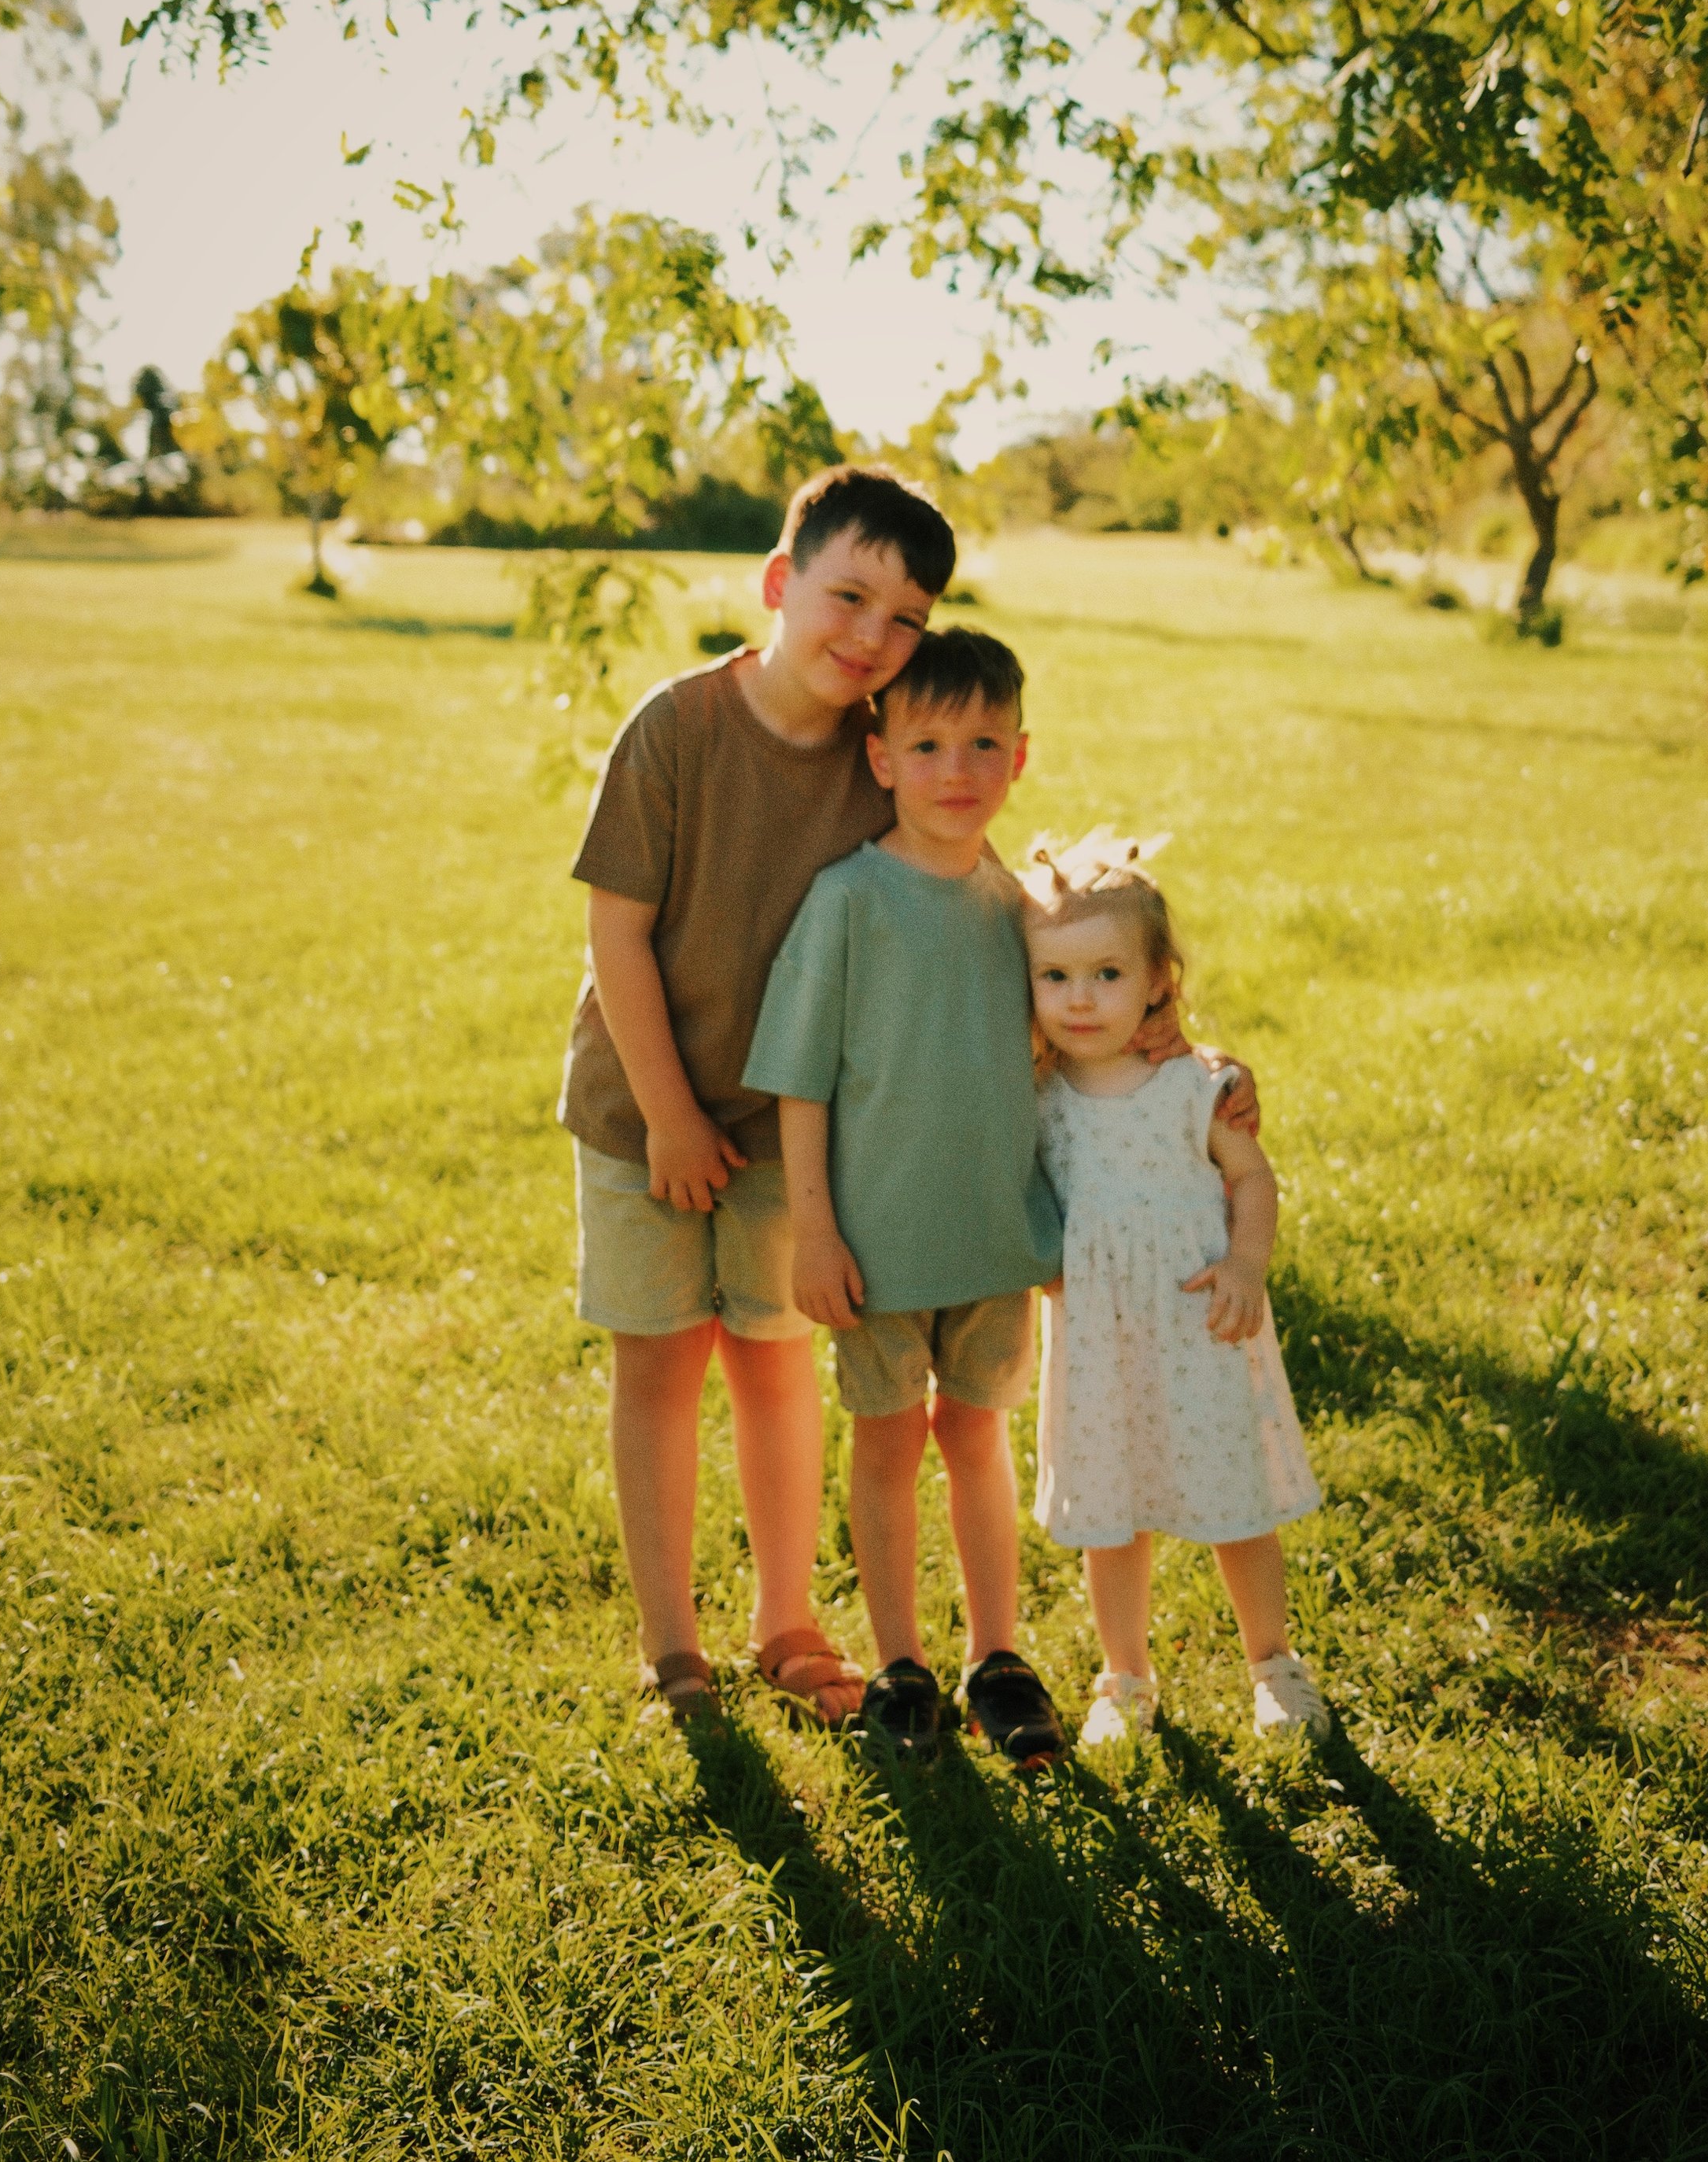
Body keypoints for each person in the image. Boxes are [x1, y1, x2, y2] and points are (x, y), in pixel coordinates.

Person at [561, 464, 957, 1727]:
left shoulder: (880, 759)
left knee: (777, 1364)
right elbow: (616, 937)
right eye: (848, 595)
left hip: (793, 1128)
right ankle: (672, 1645)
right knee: (661, 1363)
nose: (872, 637)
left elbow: (956, 886)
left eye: (907, 619)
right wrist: (672, 1116)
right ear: (782, 584)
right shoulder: (675, 728)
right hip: (644, 1114)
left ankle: (785, 1617)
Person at [743, 627, 1066, 1768]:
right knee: (886, 1445)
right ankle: (901, 1666)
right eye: (927, 743)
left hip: (991, 1237)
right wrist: (817, 1230)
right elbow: (801, 1080)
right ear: (879, 758)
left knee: (976, 1436)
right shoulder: (848, 901)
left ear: (1020, 757)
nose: (957, 767)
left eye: (984, 742)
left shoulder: (1026, 909)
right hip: (875, 1246)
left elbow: (1090, 1027)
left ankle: (997, 1657)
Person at [1022, 832, 1329, 1748]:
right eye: (1056, 977)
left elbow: (1252, 1177)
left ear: (1159, 980)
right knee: (1111, 1513)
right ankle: (1123, 1679)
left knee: (1233, 1498)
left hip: (1199, 1322)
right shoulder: (1037, 1093)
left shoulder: (1191, 1087)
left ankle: (1273, 1665)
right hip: (1099, 1342)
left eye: (1108, 974)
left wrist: (1246, 1265)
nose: (1082, 998)